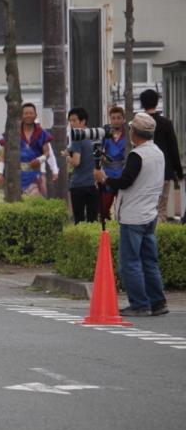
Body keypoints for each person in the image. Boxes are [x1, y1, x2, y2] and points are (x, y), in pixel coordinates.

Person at [94, 112, 167, 317]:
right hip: (149, 213)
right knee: (149, 260)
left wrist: (104, 178)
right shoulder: (158, 152)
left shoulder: (138, 155)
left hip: (133, 215)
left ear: (135, 132)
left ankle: (140, 304)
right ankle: (158, 302)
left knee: (130, 262)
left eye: (131, 129)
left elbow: (125, 181)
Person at [139, 88, 183, 222]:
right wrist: (179, 172)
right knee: (161, 206)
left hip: (144, 171)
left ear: (142, 103)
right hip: (164, 170)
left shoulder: (139, 123)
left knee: (147, 206)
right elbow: (173, 149)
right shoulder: (166, 123)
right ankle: (159, 236)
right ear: (157, 103)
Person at [0, 102, 53, 196]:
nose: (28, 115)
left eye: (31, 113)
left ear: (35, 115)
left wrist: (39, 160)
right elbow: (3, 156)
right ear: (21, 115)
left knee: (36, 199)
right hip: (14, 176)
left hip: (34, 176)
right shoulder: (12, 133)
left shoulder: (42, 133)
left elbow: (47, 153)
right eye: (26, 113)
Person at [63, 107, 99, 224]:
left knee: (79, 221)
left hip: (78, 184)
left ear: (83, 121)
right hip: (92, 183)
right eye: (70, 121)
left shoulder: (77, 138)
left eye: (74, 120)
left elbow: (76, 162)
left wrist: (67, 158)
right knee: (92, 220)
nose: (71, 124)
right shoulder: (92, 136)